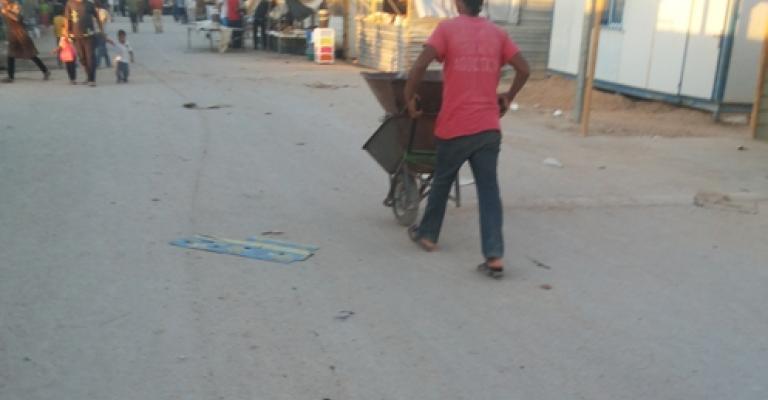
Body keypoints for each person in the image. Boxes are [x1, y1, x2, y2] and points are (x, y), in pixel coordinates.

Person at [404, 0, 529, 278]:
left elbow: (421, 64)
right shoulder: (498, 34)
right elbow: (524, 69)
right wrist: (508, 96)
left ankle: (428, 235)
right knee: (489, 191)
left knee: (442, 181)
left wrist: (408, 96)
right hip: (488, 128)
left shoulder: (447, 29)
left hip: (455, 126)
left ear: (458, 3)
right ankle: (494, 255)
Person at [0, 0, 50, 82]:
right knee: (10, 55)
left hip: (20, 34)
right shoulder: (4, 7)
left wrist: (6, 12)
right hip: (13, 34)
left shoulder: (14, 6)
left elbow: (18, 18)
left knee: (30, 54)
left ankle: (45, 71)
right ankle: (10, 76)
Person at [64, 0, 104, 86]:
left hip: (89, 35)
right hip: (76, 36)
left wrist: (101, 31)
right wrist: (67, 34)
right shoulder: (70, 4)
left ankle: (92, 79)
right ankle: (88, 76)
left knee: (90, 57)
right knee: (82, 58)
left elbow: (97, 17)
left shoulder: (89, 4)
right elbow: (67, 19)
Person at [94, 0, 111, 68]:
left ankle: (99, 63)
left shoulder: (92, 11)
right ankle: (107, 63)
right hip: (101, 32)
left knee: (101, 48)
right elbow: (105, 21)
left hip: (96, 32)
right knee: (102, 47)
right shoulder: (104, 11)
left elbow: (103, 21)